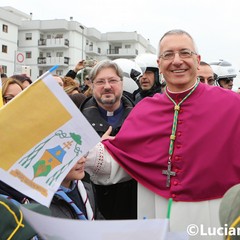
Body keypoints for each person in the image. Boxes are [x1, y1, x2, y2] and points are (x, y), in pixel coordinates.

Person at [85, 29, 240, 239]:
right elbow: (120, 163)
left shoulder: (232, 105)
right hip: (155, 213)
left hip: (209, 216)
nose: (177, 61)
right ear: (159, 63)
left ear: (197, 59)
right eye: (168, 55)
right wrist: (85, 152)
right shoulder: (144, 110)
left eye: (185, 53)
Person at [80, 60, 137, 220]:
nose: (107, 86)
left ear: (122, 83)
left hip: (132, 206)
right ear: (91, 85)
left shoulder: (140, 117)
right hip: (93, 205)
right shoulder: (77, 120)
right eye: (100, 81)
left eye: (112, 80)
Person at [49, 156, 104, 220]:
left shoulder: (85, 184)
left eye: (81, 154)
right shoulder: (44, 202)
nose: (83, 160)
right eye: (72, 157)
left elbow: (97, 218)